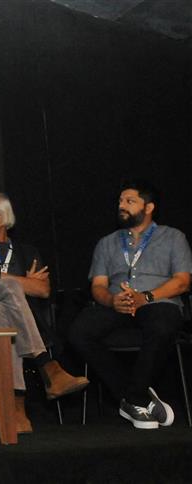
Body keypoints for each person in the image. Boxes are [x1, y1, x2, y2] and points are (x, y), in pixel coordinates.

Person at [0, 192, 88, 433]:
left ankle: (15, 409)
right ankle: (47, 366)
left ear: (4, 217)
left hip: (14, 321)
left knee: (2, 314)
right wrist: (16, 281)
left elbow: (43, 290)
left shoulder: (27, 251)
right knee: (7, 289)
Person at [69, 180, 192, 430]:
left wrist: (145, 297)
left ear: (148, 207)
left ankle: (133, 398)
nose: (121, 206)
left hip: (157, 300)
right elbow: (98, 286)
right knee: (79, 332)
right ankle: (137, 397)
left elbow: (182, 282)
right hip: (117, 304)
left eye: (129, 201)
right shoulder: (107, 243)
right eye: (120, 201)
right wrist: (111, 301)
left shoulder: (173, 237)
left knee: (163, 325)